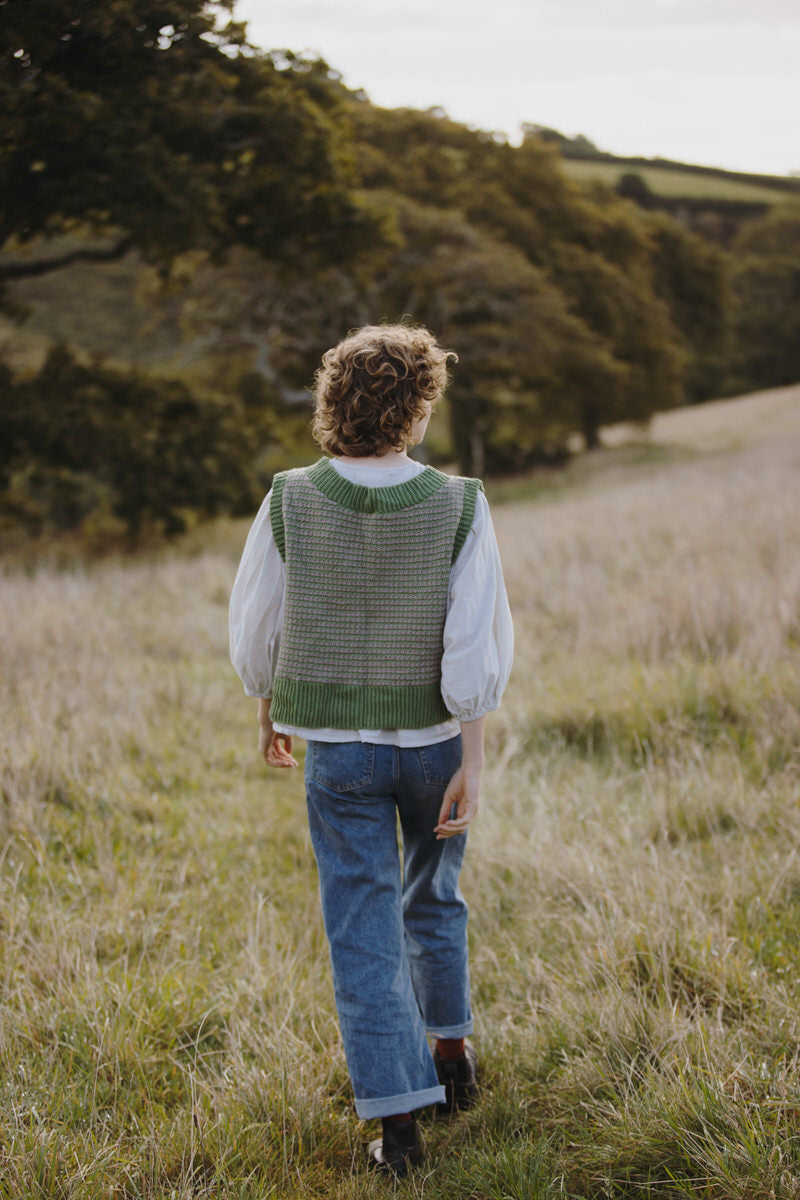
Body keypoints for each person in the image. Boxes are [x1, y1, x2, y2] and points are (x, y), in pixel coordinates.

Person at [229, 323, 513, 1178]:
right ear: (417, 408)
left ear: (333, 404)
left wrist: (268, 706)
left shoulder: (289, 498)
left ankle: (398, 1130)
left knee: (362, 928)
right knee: (437, 892)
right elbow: (474, 644)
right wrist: (474, 755)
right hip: (434, 749)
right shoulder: (461, 501)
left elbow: (256, 628)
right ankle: (452, 1055)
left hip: (340, 759)